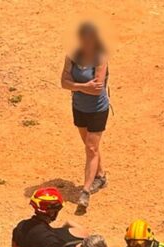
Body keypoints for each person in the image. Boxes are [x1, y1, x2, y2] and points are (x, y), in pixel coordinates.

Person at [61, 22, 110, 210]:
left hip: (98, 109)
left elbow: (97, 89)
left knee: (91, 147)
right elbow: (63, 82)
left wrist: (75, 85)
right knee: (91, 146)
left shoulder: (100, 57)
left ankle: (85, 191)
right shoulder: (72, 56)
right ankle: (101, 176)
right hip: (79, 107)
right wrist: (83, 87)